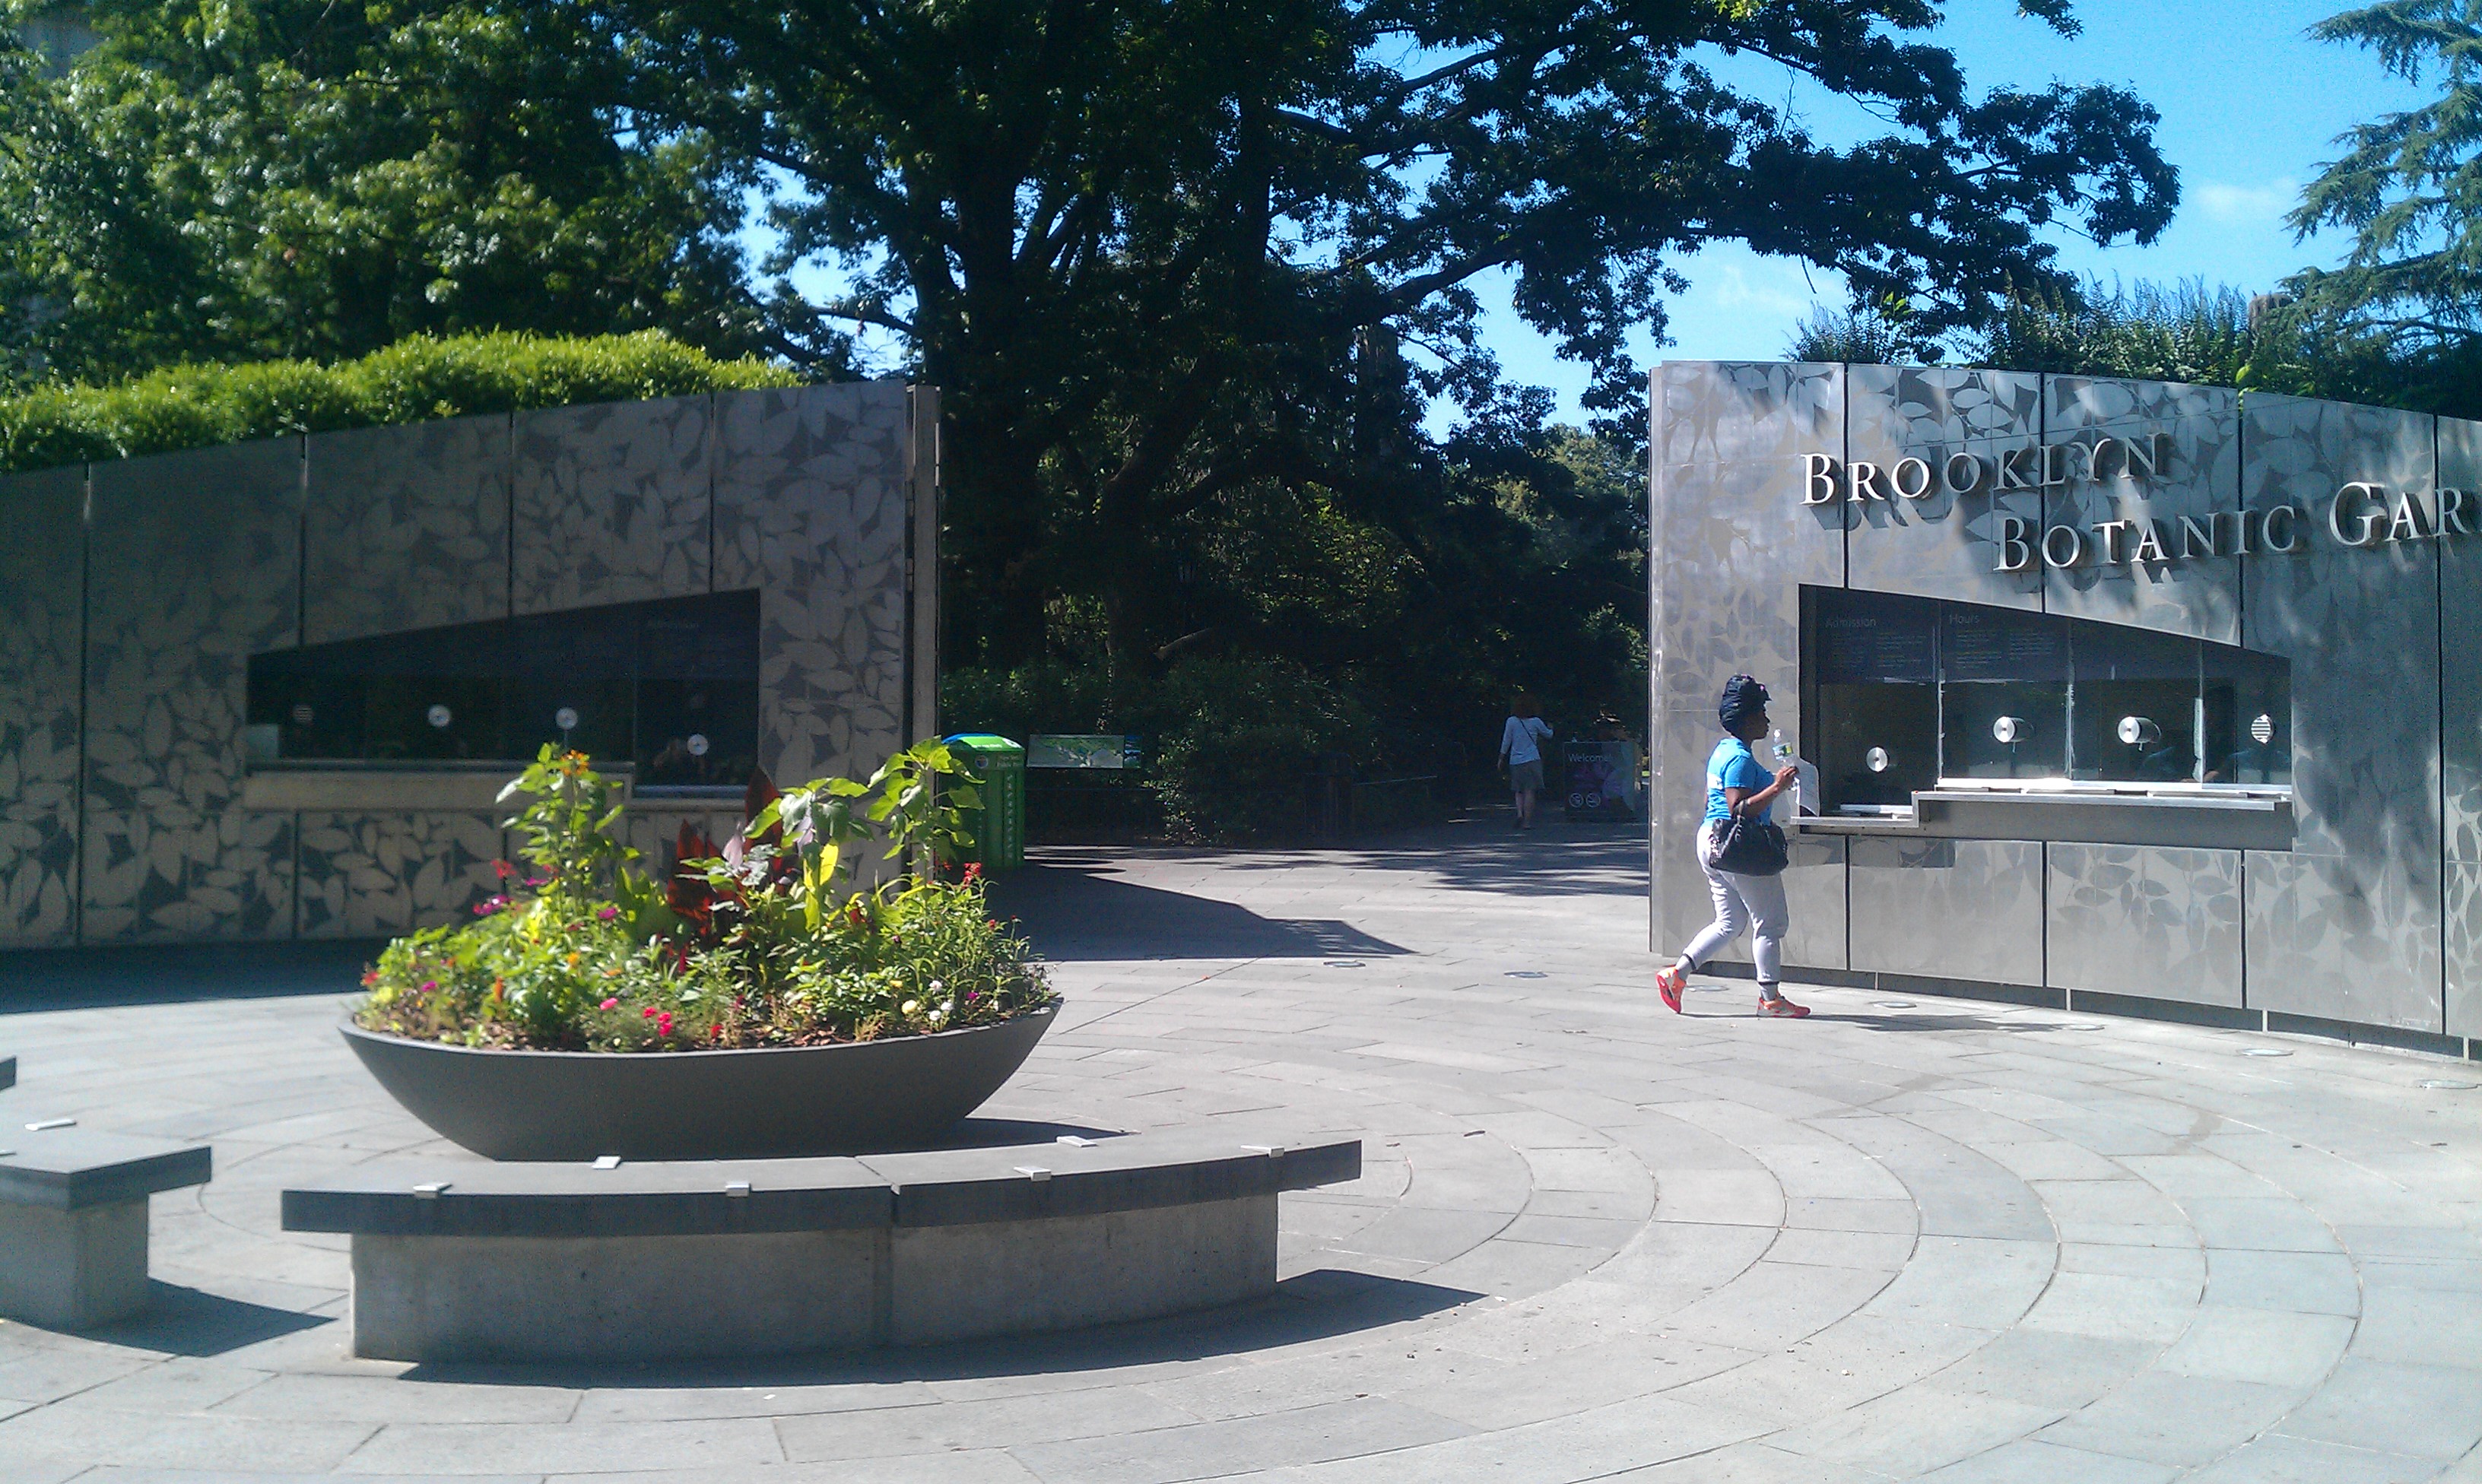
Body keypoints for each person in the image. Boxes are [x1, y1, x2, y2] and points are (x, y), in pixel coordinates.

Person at [1655, 674, 1810, 1018]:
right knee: (1770, 923)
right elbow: (1738, 807)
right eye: (1762, 714)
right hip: (1737, 845)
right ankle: (1770, 1000)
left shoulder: (1724, 750)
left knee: (1730, 922)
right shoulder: (1739, 757)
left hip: (1711, 840)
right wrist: (1778, 787)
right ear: (1748, 719)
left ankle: (1675, 976)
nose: (1767, 721)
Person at [1499, 693, 1554, 830]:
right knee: (1530, 791)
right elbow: (1548, 735)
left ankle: (1519, 813)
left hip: (1515, 760)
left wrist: (1501, 757)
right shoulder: (1535, 721)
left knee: (1518, 790)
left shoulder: (1511, 721)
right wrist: (1551, 727)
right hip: (1532, 759)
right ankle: (1527, 822)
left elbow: (1507, 740)